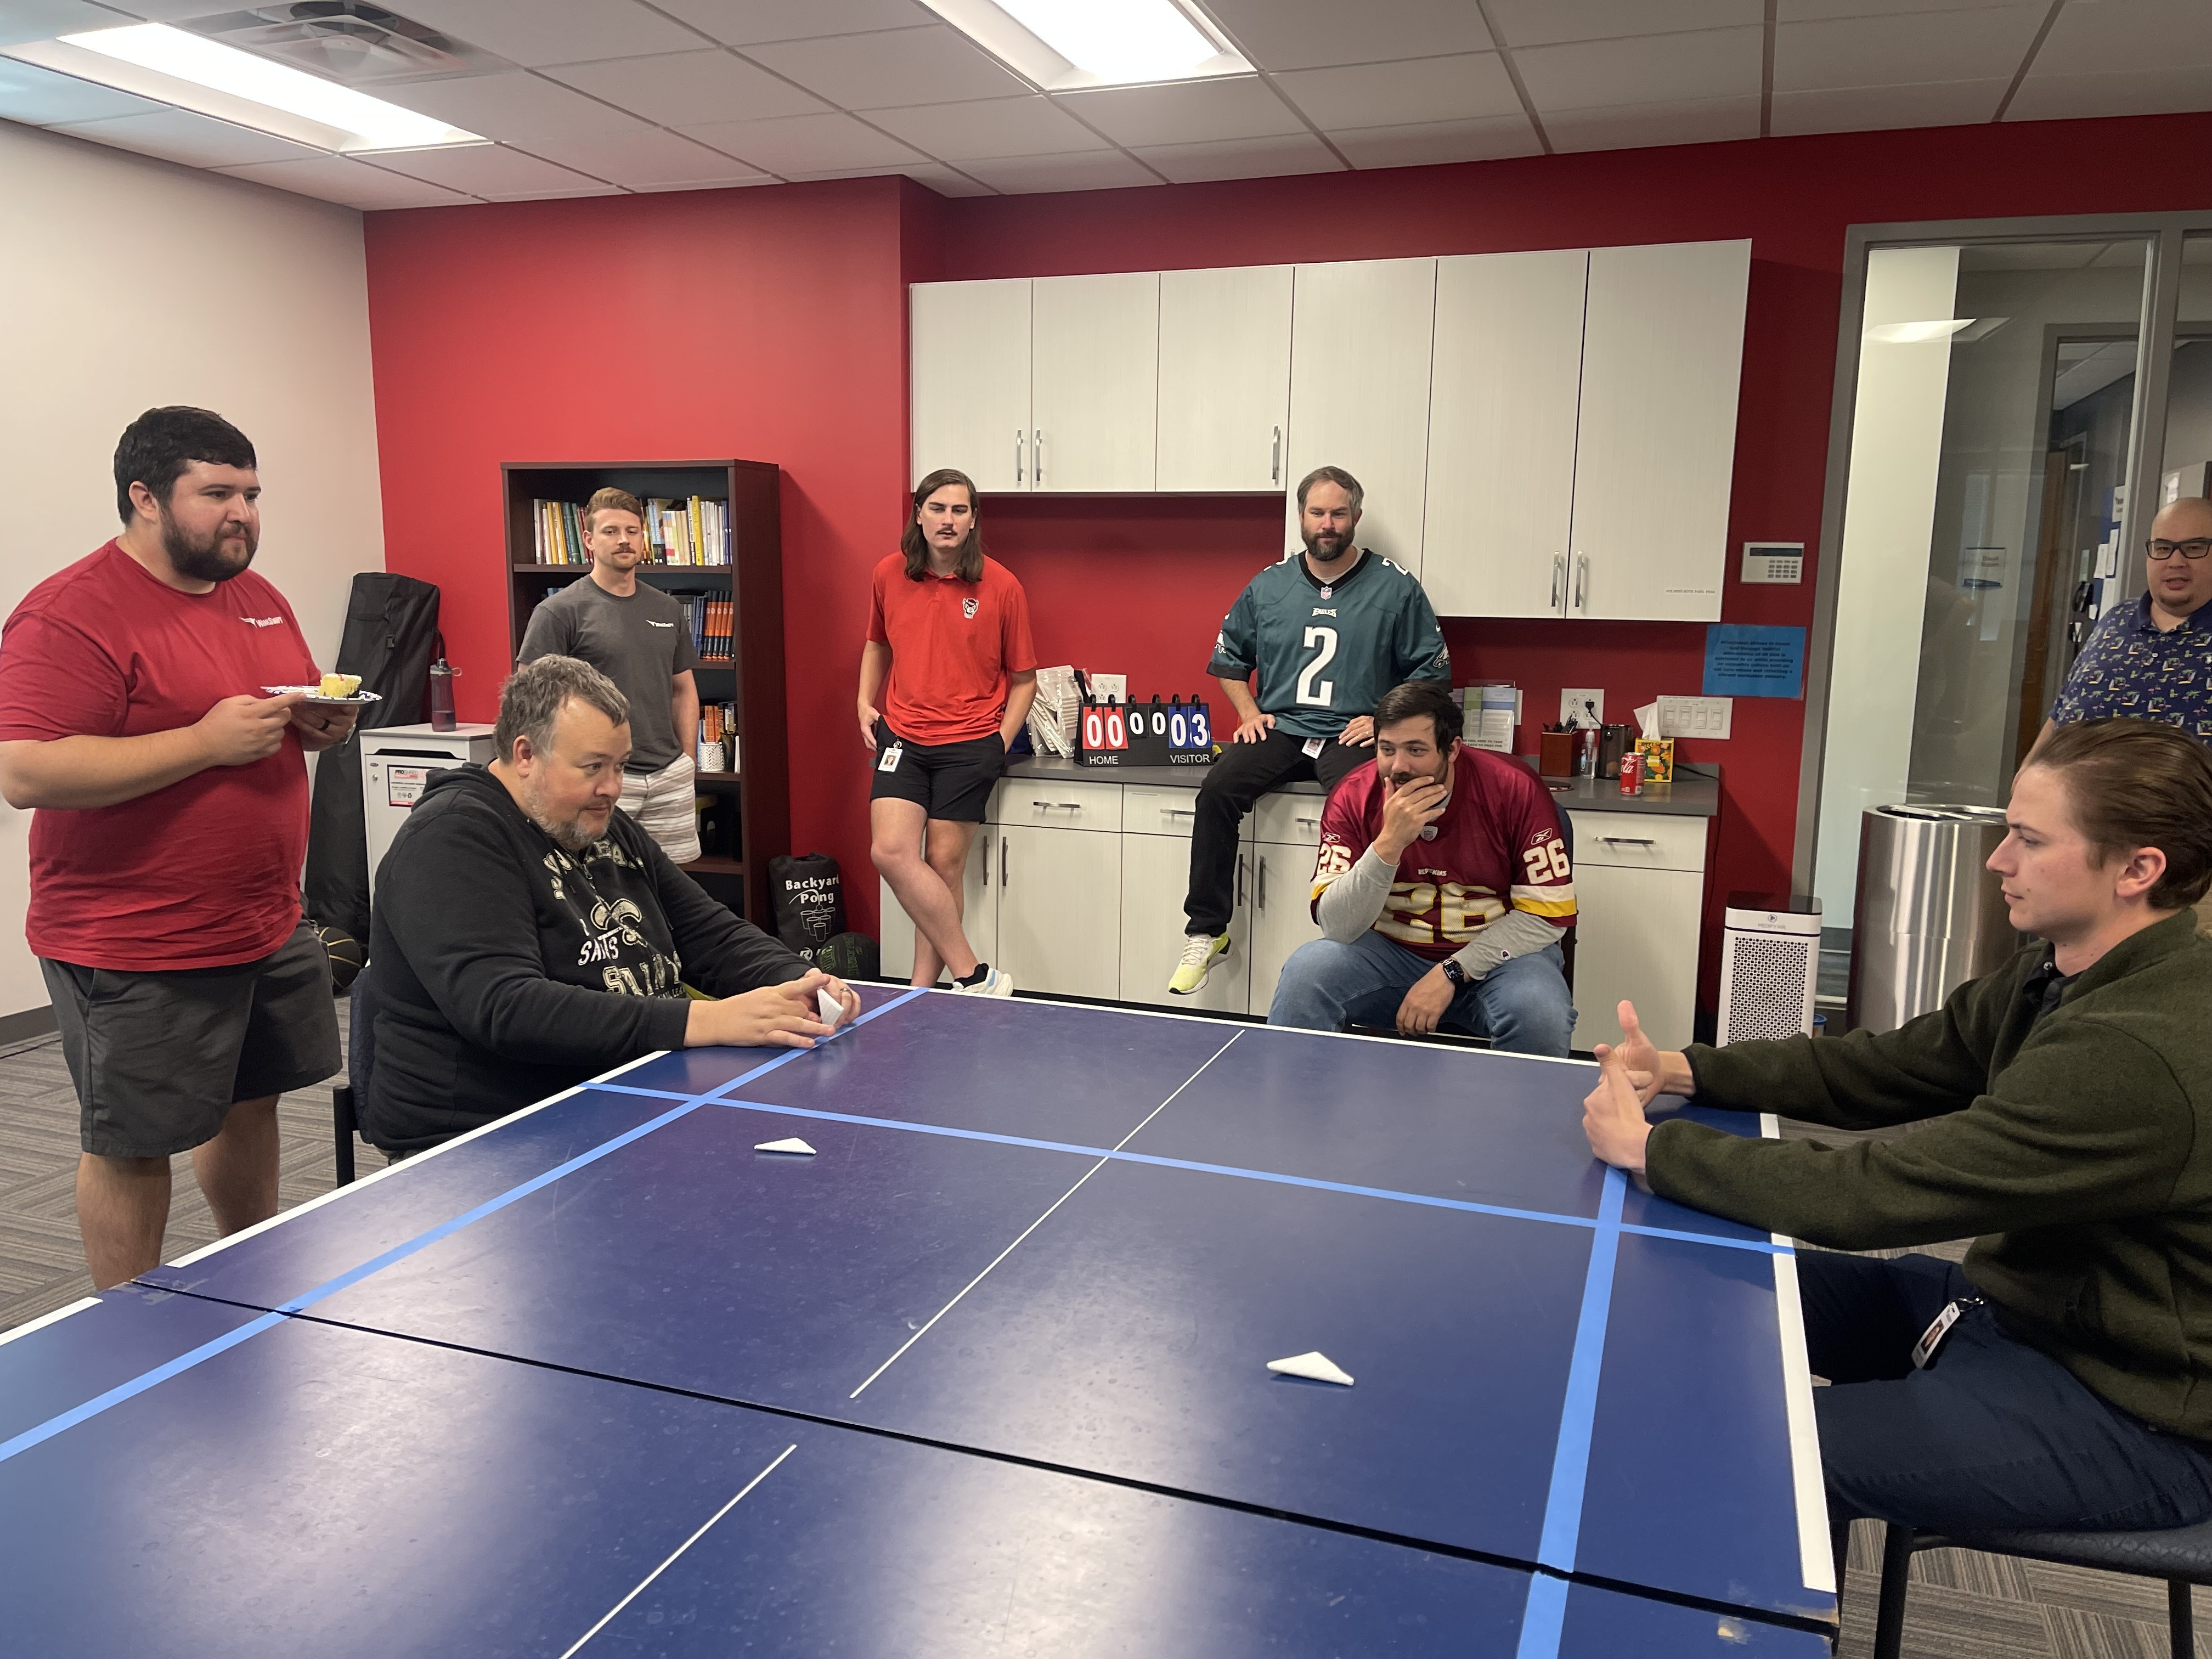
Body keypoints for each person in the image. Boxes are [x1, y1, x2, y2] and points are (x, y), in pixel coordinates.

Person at [1581, 717, 2212, 1542]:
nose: (1998, 860)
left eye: (2026, 839)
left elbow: (1875, 1194)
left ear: (2138, 869)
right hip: (2019, 1315)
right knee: (1695, 1289)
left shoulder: (2137, 1051)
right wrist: (1687, 1068)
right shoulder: (2059, 969)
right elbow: (1887, 1068)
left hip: (2130, 1411)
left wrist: (1655, 1148)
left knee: (1749, 1454)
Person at [0, 407, 355, 1289]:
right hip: (136, 938)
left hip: (266, 919)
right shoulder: (68, 613)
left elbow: (268, 714)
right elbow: (27, 771)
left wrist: (312, 727)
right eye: (219, 493)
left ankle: (254, 1271)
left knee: (253, 1102)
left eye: (253, 494)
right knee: (134, 1144)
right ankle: (126, 1334)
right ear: (145, 498)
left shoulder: (256, 597)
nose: (244, 513)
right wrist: (202, 742)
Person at [362, 656, 859, 1156]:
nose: (613, 788)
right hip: (489, 1137)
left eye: (620, 766)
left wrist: (800, 980)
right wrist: (706, 1020)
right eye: (593, 767)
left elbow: (708, 933)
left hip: (620, 1097)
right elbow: (506, 1008)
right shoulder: (451, 838)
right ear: (526, 754)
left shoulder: (599, 822)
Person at [1171, 466, 1451, 996]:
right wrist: (1250, 713)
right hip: (1284, 727)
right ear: (1301, 517)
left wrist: (1383, 720)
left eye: (1338, 513)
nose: (1327, 524)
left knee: (1369, 810)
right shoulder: (1270, 584)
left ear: (1356, 518)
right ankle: (1207, 930)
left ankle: (1369, 940)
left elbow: (1432, 675)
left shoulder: (1394, 587)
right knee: (1217, 792)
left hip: (1354, 731)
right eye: (1317, 513)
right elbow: (1229, 661)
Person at [1269, 680, 1576, 1053]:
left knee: (1539, 1012)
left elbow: (1545, 916)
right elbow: (1336, 926)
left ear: (1452, 750)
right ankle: (1297, 1104)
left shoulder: (1514, 788)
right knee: (1306, 975)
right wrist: (1388, 844)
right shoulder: (1352, 794)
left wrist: (1450, 973)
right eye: (1387, 750)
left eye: (1416, 750)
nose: (1399, 767)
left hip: (1498, 962)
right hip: (1390, 955)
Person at [859, 468, 1035, 996]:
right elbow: (877, 644)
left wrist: (997, 743)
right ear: (919, 514)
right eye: (937, 508)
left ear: (973, 520)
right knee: (890, 852)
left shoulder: (1002, 585)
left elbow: (1023, 680)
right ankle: (975, 975)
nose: (948, 520)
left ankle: (920, 994)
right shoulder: (888, 574)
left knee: (942, 865)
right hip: (902, 739)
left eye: (960, 510)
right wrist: (862, 702)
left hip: (970, 744)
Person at [2042, 492, 2212, 931]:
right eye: (2163, 547)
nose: (2176, 562)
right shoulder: (2115, 625)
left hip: (2187, 876)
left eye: (2195, 547)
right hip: (2083, 855)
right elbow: (2063, 716)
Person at [519, 487, 702, 863]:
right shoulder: (559, 612)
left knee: (676, 891)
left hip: (668, 776)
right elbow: (529, 703)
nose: (624, 540)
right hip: (599, 778)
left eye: (632, 531)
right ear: (588, 540)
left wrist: (686, 761)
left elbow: (682, 690)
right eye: (610, 531)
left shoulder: (667, 608)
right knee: (599, 886)